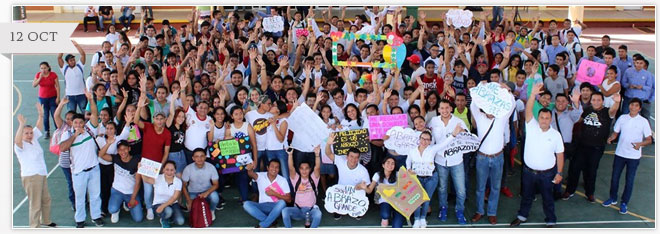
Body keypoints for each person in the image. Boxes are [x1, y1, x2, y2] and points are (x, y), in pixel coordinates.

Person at [510, 83, 564, 228]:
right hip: (528, 172)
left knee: (548, 198)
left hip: (547, 174)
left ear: (550, 119)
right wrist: (533, 95)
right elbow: (528, 110)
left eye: (547, 118)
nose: (544, 120)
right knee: (527, 196)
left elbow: (560, 155)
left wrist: (559, 173)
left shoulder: (556, 135)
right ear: (538, 118)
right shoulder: (531, 125)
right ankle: (522, 216)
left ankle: (551, 219)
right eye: (542, 117)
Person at [470, 82, 516, 225]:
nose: (490, 110)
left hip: (498, 157)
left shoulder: (501, 117)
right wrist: (480, 86)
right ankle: (479, 211)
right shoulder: (479, 117)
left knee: (495, 187)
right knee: (480, 187)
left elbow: (512, 104)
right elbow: (473, 103)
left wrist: (506, 90)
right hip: (482, 158)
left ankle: (491, 212)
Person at [563, 92, 621, 202]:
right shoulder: (588, 110)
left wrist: (617, 102)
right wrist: (574, 106)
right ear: (591, 101)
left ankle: (590, 193)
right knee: (574, 168)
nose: (596, 102)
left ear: (603, 101)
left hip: (596, 148)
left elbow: (613, 110)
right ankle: (569, 191)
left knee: (591, 170)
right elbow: (578, 120)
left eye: (599, 100)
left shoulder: (607, 112)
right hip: (581, 145)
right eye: (594, 100)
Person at [58, 91, 104, 228]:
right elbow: (63, 148)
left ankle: (96, 217)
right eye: (75, 122)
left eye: (80, 122)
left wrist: (91, 99)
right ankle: (80, 219)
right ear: (72, 123)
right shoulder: (67, 134)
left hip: (94, 169)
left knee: (96, 195)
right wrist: (75, 136)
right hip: (78, 172)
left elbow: (95, 114)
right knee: (80, 197)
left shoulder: (90, 129)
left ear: (84, 122)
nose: (78, 124)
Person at [602, 98, 653, 214]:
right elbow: (616, 132)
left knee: (629, 180)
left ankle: (624, 202)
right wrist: (611, 138)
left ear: (639, 108)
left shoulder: (643, 121)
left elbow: (649, 140)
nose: (633, 107)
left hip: (634, 157)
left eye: (636, 106)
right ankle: (613, 198)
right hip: (620, 153)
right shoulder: (622, 118)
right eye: (631, 105)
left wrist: (640, 144)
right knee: (615, 178)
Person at [407, 127, 462, 228]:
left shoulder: (432, 149)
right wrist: (408, 169)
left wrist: (453, 135)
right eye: (423, 138)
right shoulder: (412, 150)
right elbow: (408, 161)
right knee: (416, 200)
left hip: (431, 178)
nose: (424, 141)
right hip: (417, 178)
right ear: (419, 139)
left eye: (427, 139)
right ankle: (417, 219)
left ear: (430, 142)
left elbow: (444, 143)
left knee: (426, 199)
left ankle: (423, 218)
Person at [14, 105, 56, 228]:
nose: (29, 135)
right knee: (35, 203)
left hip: (41, 174)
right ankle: (34, 226)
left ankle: (46, 220)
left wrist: (41, 115)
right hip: (31, 177)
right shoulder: (20, 147)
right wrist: (21, 124)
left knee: (46, 199)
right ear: (21, 134)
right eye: (26, 133)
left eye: (30, 132)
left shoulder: (34, 140)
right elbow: (17, 141)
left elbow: (38, 127)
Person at [429, 99, 469, 225]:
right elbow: (430, 139)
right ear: (438, 109)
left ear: (451, 109)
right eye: (442, 108)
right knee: (442, 188)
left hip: (456, 160)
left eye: (447, 108)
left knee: (461, 189)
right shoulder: (433, 121)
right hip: (440, 160)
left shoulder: (459, 121)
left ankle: (460, 210)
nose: (444, 110)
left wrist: (462, 132)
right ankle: (443, 208)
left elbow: (468, 138)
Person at [135, 90, 171, 220]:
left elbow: (166, 152)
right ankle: (149, 208)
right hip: (146, 164)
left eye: (162, 119)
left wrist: (161, 165)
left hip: (158, 165)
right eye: (157, 118)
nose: (160, 121)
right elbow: (135, 120)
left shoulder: (167, 133)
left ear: (165, 119)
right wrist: (139, 107)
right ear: (154, 119)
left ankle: (157, 206)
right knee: (148, 190)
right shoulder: (148, 127)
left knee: (157, 189)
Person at [325, 133, 371, 220]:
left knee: (359, 213)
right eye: (351, 156)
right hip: (341, 193)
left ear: (359, 158)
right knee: (335, 208)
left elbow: (367, 188)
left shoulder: (363, 170)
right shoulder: (340, 161)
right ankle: (338, 211)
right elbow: (328, 153)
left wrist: (363, 187)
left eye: (356, 157)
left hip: (355, 194)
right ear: (347, 156)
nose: (353, 160)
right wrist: (328, 144)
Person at [98, 139, 143, 223]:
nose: (123, 152)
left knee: (138, 219)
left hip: (130, 193)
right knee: (112, 209)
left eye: (125, 149)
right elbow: (101, 154)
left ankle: (126, 203)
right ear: (117, 151)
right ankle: (117, 210)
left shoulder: (136, 161)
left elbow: (138, 182)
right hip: (117, 191)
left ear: (129, 149)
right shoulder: (116, 158)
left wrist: (133, 198)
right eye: (120, 150)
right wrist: (108, 143)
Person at [281, 146, 322, 228]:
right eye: (302, 168)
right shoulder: (296, 179)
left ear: (310, 169)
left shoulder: (314, 178)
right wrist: (290, 155)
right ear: (299, 170)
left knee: (318, 214)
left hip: (311, 211)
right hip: (298, 211)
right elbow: (291, 168)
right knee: (285, 211)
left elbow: (317, 167)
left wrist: (317, 155)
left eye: (307, 168)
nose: (304, 171)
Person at [244, 159, 291, 228]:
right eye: (272, 166)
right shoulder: (261, 176)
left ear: (279, 169)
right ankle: (270, 221)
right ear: (267, 167)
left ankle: (263, 225)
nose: (274, 169)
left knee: (282, 203)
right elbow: (251, 174)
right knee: (246, 204)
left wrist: (275, 194)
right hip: (262, 207)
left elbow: (289, 199)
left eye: (277, 167)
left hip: (276, 208)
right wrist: (249, 169)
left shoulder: (282, 180)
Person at [142, 161, 185, 228]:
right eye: (167, 169)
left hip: (172, 203)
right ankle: (164, 219)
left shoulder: (178, 181)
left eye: (172, 170)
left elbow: (174, 198)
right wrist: (141, 170)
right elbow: (146, 180)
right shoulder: (157, 178)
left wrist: (163, 206)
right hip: (158, 204)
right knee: (168, 211)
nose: (169, 172)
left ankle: (169, 216)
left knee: (180, 221)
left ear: (175, 171)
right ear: (163, 170)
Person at [365, 156, 404, 228]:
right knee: (385, 215)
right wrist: (364, 187)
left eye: (393, 163)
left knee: (397, 227)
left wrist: (411, 173)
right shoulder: (377, 175)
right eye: (388, 163)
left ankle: (394, 213)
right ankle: (385, 219)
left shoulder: (398, 174)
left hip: (398, 201)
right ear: (383, 165)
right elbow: (369, 190)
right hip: (385, 200)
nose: (390, 165)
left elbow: (408, 183)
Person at [182, 148, 220, 221]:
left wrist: (207, 192)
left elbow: (216, 184)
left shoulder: (211, 167)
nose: (200, 159)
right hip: (193, 192)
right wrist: (188, 200)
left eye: (202, 156)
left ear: (205, 157)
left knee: (215, 197)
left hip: (207, 190)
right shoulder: (188, 168)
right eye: (197, 156)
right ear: (193, 158)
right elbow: (183, 185)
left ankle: (211, 210)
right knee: (195, 213)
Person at [57, 40, 87, 113]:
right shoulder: (64, 69)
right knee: (71, 114)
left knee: (85, 112)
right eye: (71, 60)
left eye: (73, 60)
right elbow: (59, 58)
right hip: (70, 96)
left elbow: (83, 54)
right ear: (67, 62)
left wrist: (76, 45)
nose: (73, 61)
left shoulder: (80, 66)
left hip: (81, 94)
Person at [33, 61, 60, 139]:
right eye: (41, 68)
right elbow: (34, 85)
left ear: (48, 67)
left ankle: (57, 130)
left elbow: (57, 86)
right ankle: (46, 131)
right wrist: (40, 78)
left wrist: (58, 97)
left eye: (45, 68)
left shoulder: (53, 75)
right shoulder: (38, 75)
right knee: (45, 115)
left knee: (54, 114)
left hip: (52, 97)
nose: (43, 70)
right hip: (43, 98)